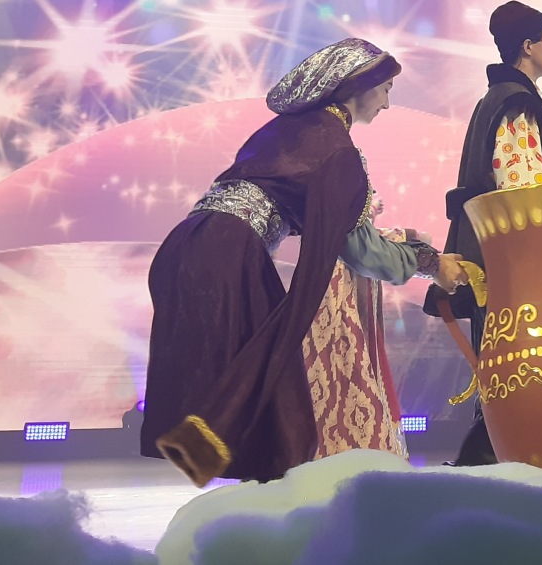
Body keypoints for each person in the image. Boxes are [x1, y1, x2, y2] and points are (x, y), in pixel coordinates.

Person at [142, 38, 466, 485]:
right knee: (281, 400)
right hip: (228, 255)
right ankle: (276, 507)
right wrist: (429, 263)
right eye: (386, 89)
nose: (388, 104)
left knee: (260, 392)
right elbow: (363, 252)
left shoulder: (285, 131)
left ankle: (247, 492)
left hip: (186, 247)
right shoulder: (337, 152)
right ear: (360, 85)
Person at [426, 1, 542, 466]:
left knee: (503, 365)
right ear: (527, 46)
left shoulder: (498, 97)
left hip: (494, 258)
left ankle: (485, 464)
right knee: (514, 365)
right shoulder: (516, 102)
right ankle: (486, 465)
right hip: (510, 260)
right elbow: (521, 195)